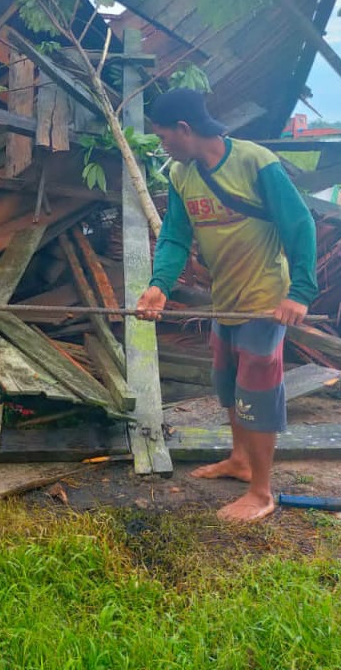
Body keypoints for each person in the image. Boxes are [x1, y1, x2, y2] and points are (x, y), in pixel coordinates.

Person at [136, 89, 317, 523]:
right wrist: (160, 285)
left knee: (257, 389)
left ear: (185, 129)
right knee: (229, 383)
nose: (163, 147)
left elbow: (299, 223)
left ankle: (262, 491)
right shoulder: (182, 175)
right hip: (226, 302)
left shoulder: (256, 162)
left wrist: (301, 292)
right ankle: (239, 460)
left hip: (264, 301)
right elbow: (176, 235)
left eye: (163, 138)